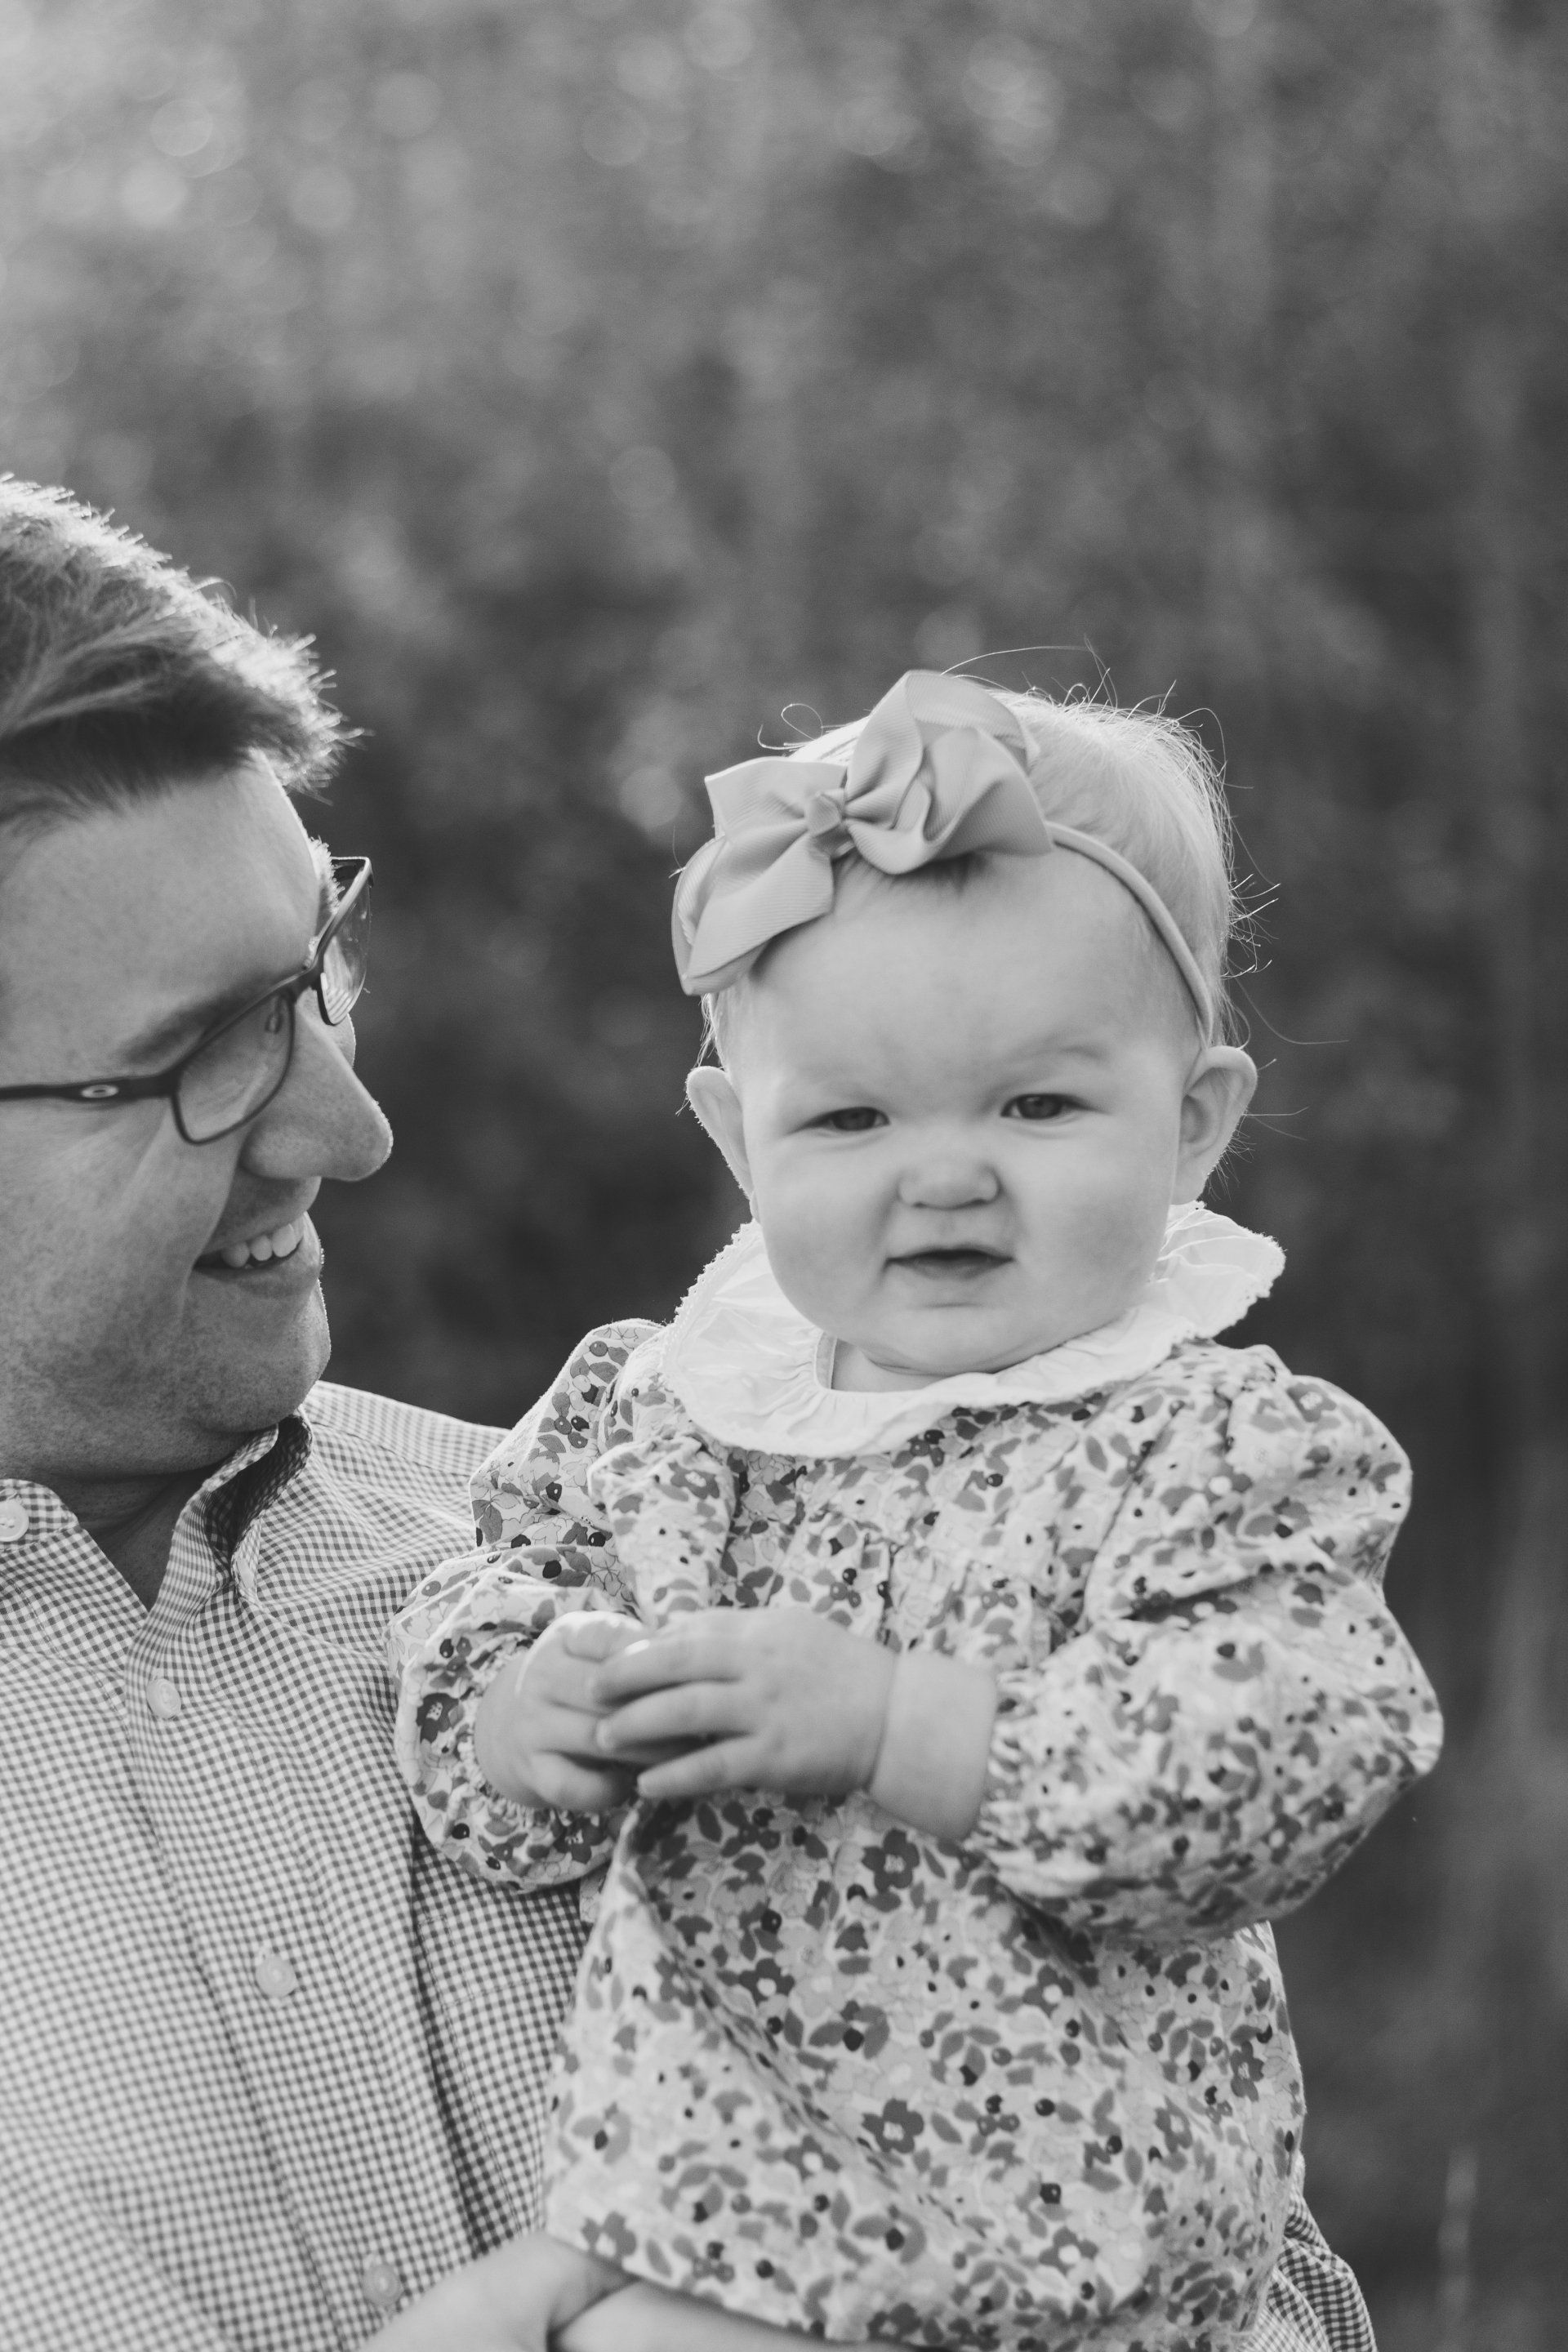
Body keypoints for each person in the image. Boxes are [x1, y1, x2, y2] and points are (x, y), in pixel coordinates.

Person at [0, 479, 1380, 2352]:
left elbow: (1233, 2249)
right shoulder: (588, 1570)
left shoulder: (603, 1550)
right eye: (203, 1050)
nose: (353, 1124)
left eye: (324, 970)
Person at [390, 673, 1442, 2349]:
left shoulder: (1208, 1447)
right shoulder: (668, 1414)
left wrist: (904, 1724)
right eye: (853, 1118)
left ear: (1194, 1125)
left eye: (1037, 1105)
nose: (943, 1173)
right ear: (743, 1144)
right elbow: (473, 1600)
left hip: (1065, 2270)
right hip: (713, 2214)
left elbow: (1297, 1750)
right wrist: (531, 1707)